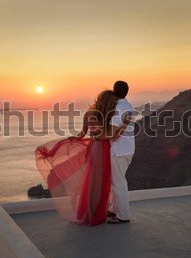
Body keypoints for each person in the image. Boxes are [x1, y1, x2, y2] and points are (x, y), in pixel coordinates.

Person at [35, 90, 125, 226]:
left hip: (93, 148)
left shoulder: (89, 114)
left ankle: (88, 211)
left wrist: (73, 139)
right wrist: (125, 124)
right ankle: (96, 212)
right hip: (104, 148)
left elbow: (82, 133)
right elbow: (111, 136)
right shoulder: (107, 116)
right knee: (101, 181)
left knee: (92, 180)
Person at [107, 81, 135, 224]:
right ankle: (113, 209)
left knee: (118, 183)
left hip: (118, 150)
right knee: (117, 181)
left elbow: (112, 134)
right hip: (128, 149)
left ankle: (123, 216)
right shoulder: (129, 106)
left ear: (114, 91)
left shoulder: (118, 108)